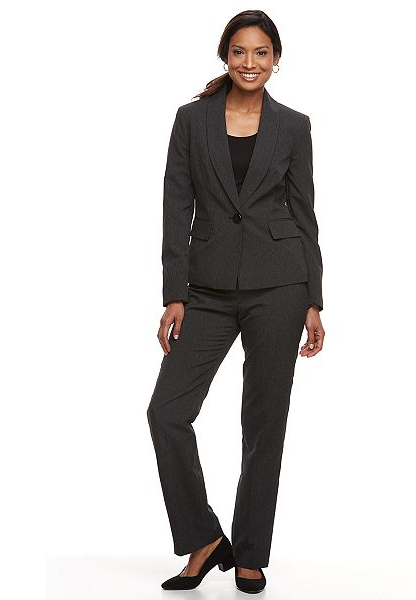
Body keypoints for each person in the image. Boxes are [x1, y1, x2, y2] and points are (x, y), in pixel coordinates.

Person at [147, 10, 325, 593]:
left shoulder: (293, 126)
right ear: (225, 55)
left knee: (264, 424)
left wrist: (314, 299)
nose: (250, 63)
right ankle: (203, 539)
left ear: (276, 59)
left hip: (280, 286)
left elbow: (304, 214)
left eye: (261, 53)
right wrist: (174, 294)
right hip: (207, 289)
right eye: (240, 52)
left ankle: (250, 551)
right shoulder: (191, 119)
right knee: (167, 412)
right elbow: (176, 206)